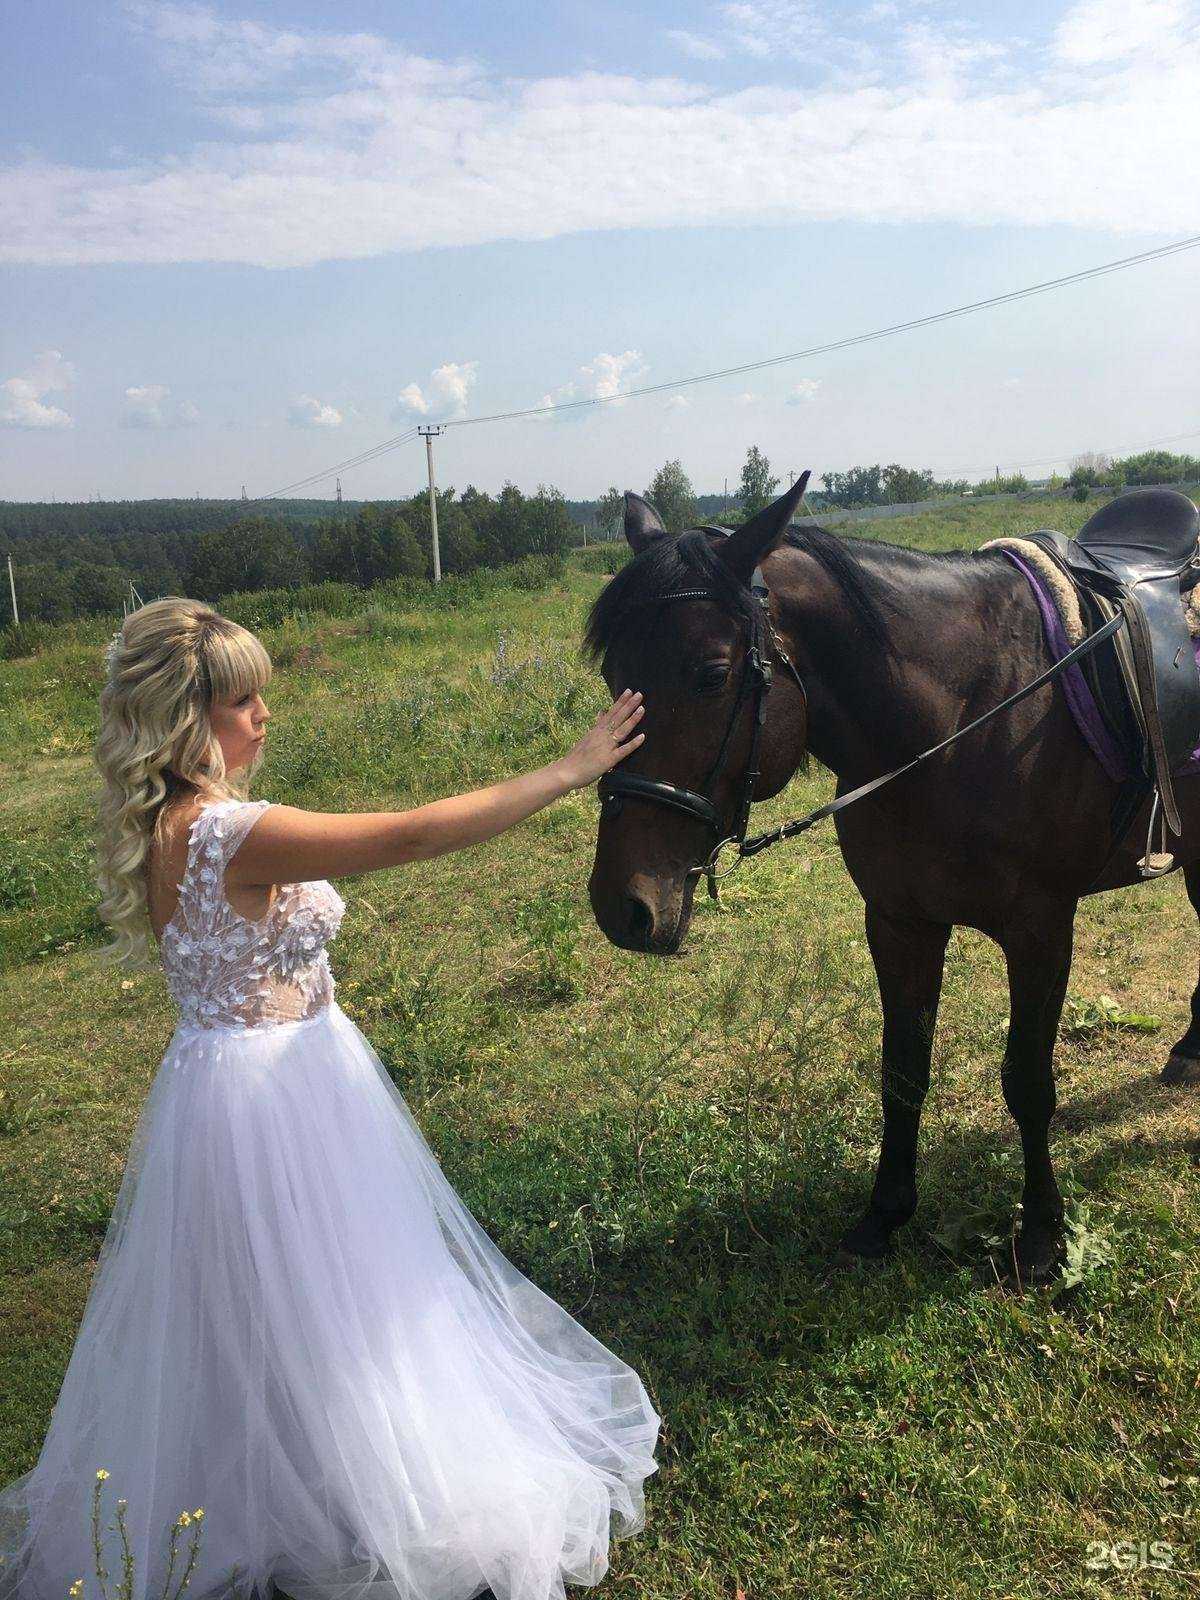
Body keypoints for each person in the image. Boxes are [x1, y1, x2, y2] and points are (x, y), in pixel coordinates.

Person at [0, 597, 659, 1600]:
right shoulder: (229, 831)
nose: (263, 715)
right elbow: (409, 835)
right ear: (186, 718)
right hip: (281, 1096)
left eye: (263, 693)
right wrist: (568, 772)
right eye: (239, 701)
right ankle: (363, 1489)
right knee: (352, 1302)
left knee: (267, 1310)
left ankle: (284, 1481)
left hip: (219, 1087)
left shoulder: (169, 822)